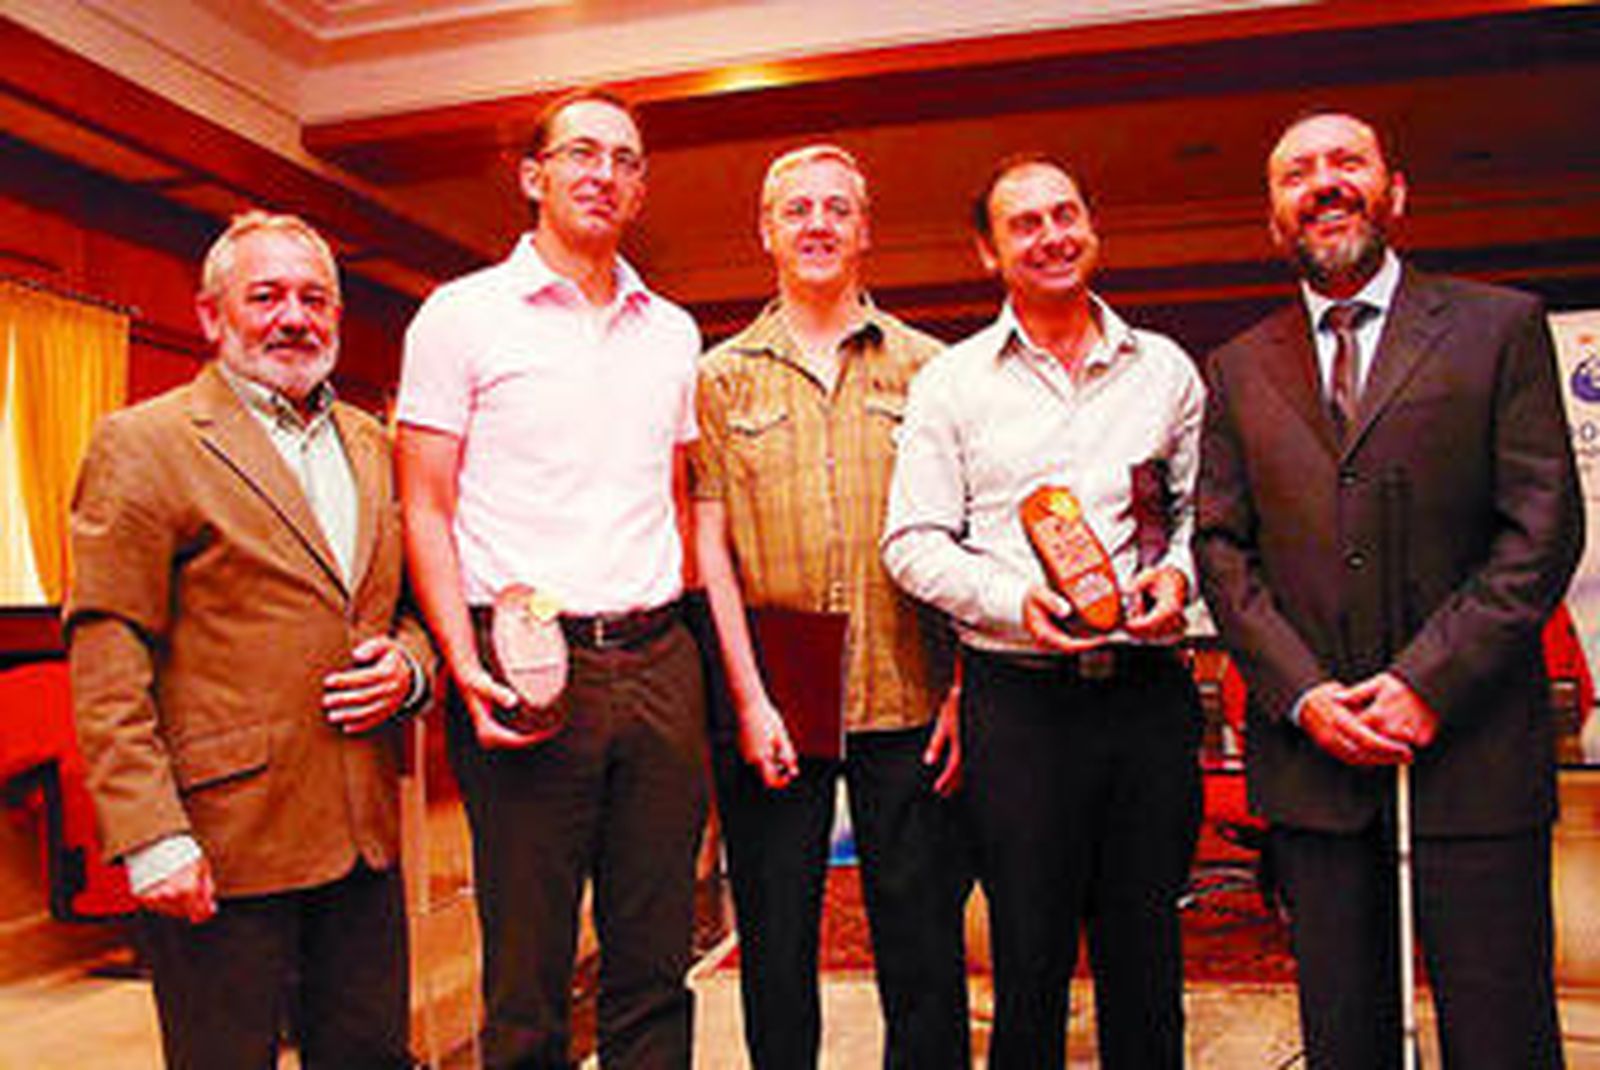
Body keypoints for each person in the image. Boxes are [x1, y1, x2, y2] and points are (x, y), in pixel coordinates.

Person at [1195, 111, 1581, 1069]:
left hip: (1474, 754)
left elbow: (1540, 531)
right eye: (1297, 173)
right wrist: (1306, 694)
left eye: (1346, 163)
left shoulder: (1501, 326)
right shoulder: (1238, 369)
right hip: (1316, 767)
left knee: (1501, 1038)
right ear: (1273, 215)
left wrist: (1424, 683)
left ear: (1394, 191)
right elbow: (1222, 549)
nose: (1323, 183)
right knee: (1345, 1039)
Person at [65, 211, 433, 1069]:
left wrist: (412, 670)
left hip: (363, 840)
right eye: (264, 296)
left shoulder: (373, 446)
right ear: (210, 315)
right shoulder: (145, 443)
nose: (293, 317)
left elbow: (411, 608)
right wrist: (151, 835)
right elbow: (106, 651)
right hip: (219, 845)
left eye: (314, 299)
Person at [395, 88, 706, 1069]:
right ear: (534, 176)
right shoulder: (460, 316)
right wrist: (461, 657)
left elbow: (672, 495)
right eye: (580, 152)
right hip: (526, 659)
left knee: (656, 961)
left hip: (661, 659)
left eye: (624, 158)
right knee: (527, 975)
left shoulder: (674, 332)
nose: (603, 172)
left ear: (641, 187)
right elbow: (425, 505)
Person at [882, 153, 1204, 1069]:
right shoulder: (952, 382)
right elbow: (911, 542)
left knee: (1148, 953)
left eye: (1066, 215)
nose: (1052, 236)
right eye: (1025, 223)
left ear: (1092, 227)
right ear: (987, 251)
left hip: (1147, 697)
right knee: (1028, 960)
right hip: (1017, 707)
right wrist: (1015, 603)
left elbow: (1204, 522)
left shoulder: (1166, 372)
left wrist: (1177, 580)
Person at [691, 144, 969, 1070]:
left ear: (865, 230)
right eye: (797, 209)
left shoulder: (933, 371)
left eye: (837, 209)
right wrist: (746, 700)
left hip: (912, 691)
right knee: (774, 949)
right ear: (765, 231)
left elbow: (966, 541)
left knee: (922, 949)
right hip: (776, 700)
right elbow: (711, 554)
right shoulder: (719, 378)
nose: (817, 224)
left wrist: (964, 688)